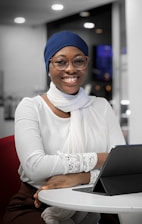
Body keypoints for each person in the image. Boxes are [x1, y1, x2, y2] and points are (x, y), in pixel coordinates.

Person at [3, 31, 126, 224]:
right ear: (48, 66)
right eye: (61, 62)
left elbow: (121, 167)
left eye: (78, 61)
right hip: (36, 203)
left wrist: (81, 178)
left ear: (86, 63)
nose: (71, 69)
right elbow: (35, 167)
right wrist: (98, 159)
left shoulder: (101, 106)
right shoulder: (31, 107)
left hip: (94, 201)